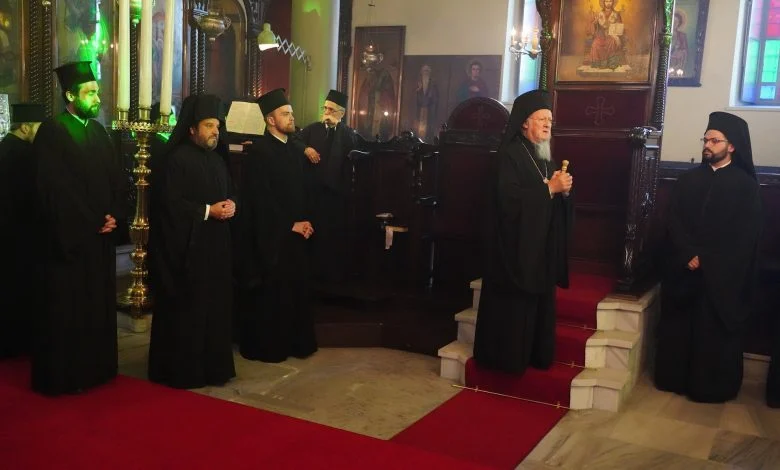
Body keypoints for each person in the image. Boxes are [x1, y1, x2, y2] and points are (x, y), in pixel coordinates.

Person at [32, 61, 128, 395]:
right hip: (72, 243)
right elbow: (55, 190)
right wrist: (90, 222)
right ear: (70, 94)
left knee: (97, 305)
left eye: (97, 91)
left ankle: (98, 368)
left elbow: (116, 180)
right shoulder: (54, 131)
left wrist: (114, 214)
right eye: (89, 92)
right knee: (69, 308)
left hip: (99, 240)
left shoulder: (99, 131)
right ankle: (68, 374)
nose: (96, 97)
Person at [654, 111, 762, 403]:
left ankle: (711, 388)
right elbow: (673, 221)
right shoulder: (688, 180)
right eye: (706, 139)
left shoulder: (746, 187)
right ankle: (673, 379)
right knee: (680, 329)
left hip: (721, 279)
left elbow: (744, 236)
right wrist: (688, 254)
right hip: (685, 271)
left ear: (732, 146)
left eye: (715, 140)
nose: (708, 145)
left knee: (712, 332)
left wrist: (708, 260)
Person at [473, 90, 573, 375]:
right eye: (541, 119)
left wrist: (563, 192)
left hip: (537, 249)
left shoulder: (544, 157)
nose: (547, 125)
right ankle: (506, 359)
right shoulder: (509, 156)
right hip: (513, 252)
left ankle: (536, 354)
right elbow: (508, 203)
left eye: (550, 120)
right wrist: (549, 190)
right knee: (514, 312)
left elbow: (549, 197)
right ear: (523, 123)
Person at [147, 94, 236, 389]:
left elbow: (229, 193)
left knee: (215, 308)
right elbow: (169, 205)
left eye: (217, 126)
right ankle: (185, 370)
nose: (215, 131)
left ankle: (214, 368)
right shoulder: (176, 160)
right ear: (191, 129)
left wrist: (232, 205)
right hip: (188, 250)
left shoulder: (218, 160)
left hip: (217, 248)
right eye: (209, 125)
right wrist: (208, 211)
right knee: (190, 310)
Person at [236, 88, 317, 363]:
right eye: (285, 114)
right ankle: (272, 346)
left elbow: (302, 192)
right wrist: (288, 225)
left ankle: (296, 342)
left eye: (291, 113)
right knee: (273, 294)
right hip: (272, 238)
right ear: (271, 120)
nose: (291, 118)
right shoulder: (259, 153)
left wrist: (305, 222)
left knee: (295, 290)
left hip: (296, 234)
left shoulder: (294, 150)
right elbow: (260, 202)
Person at [296, 89, 358, 284]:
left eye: (331, 109)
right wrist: (306, 148)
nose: (327, 112)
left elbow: (354, 148)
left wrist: (337, 128)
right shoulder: (313, 129)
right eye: (325, 108)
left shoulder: (347, 133)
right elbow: (294, 141)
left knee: (331, 238)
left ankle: (330, 278)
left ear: (341, 113)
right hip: (312, 192)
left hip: (335, 194)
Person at [0, 103, 45, 358]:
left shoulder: (7, 148)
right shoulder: (22, 155)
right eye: (38, 128)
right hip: (18, 234)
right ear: (26, 127)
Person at [585, 0, 626, 69]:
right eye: (606, 1)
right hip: (600, 35)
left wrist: (616, 35)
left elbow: (619, 26)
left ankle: (611, 63)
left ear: (613, 2)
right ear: (603, 3)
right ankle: (598, 63)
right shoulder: (599, 13)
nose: (608, 3)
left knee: (612, 42)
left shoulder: (616, 14)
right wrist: (595, 22)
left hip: (612, 35)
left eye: (610, 1)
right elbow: (594, 26)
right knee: (595, 43)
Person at [415, 65, 439, 140]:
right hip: (419, 110)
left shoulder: (433, 84)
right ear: (421, 72)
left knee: (429, 128)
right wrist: (418, 90)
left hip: (429, 110)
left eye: (427, 71)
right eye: (424, 71)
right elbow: (413, 97)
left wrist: (430, 99)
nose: (426, 73)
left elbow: (436, 97)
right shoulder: (418, 83)